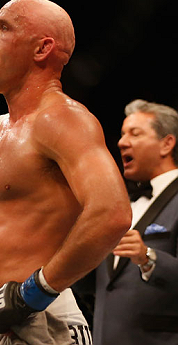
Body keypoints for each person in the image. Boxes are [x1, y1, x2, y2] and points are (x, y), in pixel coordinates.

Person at [0, 0, 132, 344]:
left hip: (40, 317)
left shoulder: (63, 119)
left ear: (42, 49)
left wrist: (35, 292)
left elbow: (112, 212)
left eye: (4, 27)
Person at [93, 99, 178, 344]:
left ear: (166, 143)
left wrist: (148, 257)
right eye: (121, 134)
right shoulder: (121, 207)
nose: (121, 142)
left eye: (135, 133)